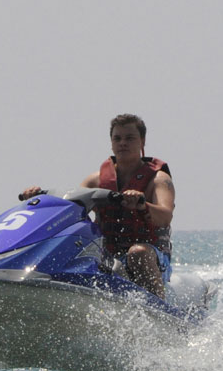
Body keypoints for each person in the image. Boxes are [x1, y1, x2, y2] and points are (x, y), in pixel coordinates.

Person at [21, 113, 175, 299]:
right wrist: (37, 197)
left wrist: (142, 205)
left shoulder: (159, 179)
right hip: (108, 255)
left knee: (138, 253)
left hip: (152, 257)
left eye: (129, 138)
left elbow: (165, 216)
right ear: (111, 143)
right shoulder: (96, 180)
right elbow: (68, 208)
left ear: (142, 142)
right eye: (117, 138)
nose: (122, 143)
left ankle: (160, 310)